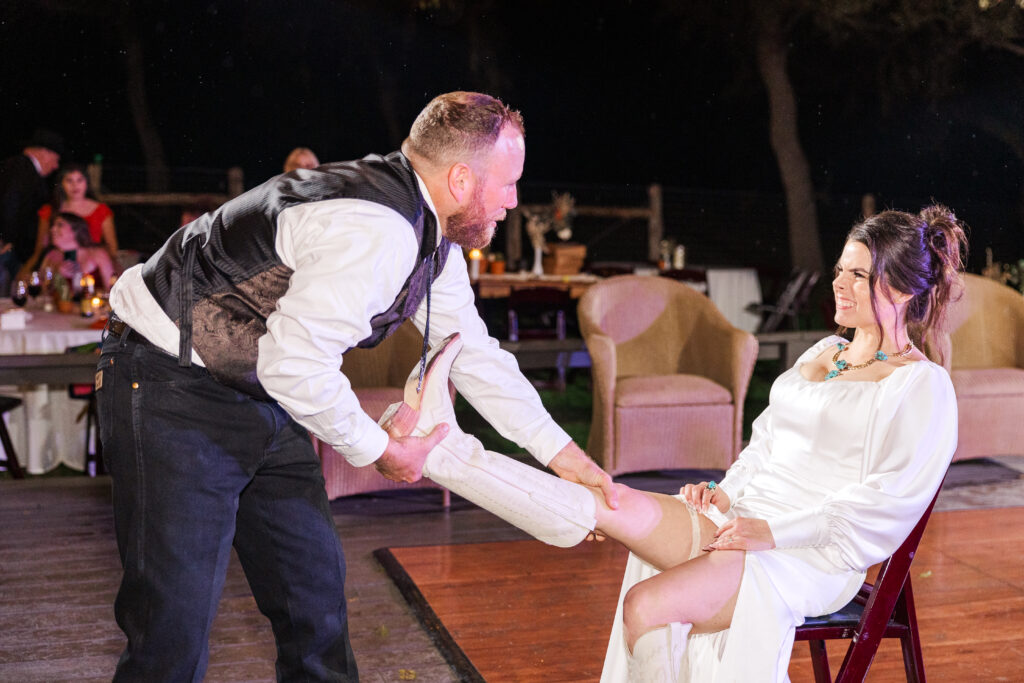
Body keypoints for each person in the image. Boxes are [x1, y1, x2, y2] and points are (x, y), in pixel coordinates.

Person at [97, 91, 616, 682]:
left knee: (313, 603)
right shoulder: (378, 230)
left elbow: (471, 352)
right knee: (172, 630)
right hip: (168, 384)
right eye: (508, 183)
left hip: (260, 392)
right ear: (463, 178)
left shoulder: (431, 236)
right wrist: (381, 453)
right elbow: (296, 364)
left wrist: (565, 458)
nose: (514, 201)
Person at [393, 205, 965, 681]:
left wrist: (773, 531)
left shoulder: (921, 386)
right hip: (742, 518)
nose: (839, 282)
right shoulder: (823, 353)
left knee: (643, 606)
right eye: (841, 269)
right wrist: (723, 493)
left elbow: (887, 505)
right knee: (608, 501)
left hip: (803, 553)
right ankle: (443, 450)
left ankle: (444, 450)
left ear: (900, 287)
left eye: (858, 275)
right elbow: (765, 444)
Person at [20, 163, 118, 278]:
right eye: (69, 181)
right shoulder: (50, 210)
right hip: (58, 264)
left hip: (93, 264)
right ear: (61, 184)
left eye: (79, 180)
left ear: (87, 183)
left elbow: (112, 249)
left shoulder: (101, 211)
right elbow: (41, 248)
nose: (75, 185)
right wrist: (26, 272)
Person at [0, 128, 63, 287]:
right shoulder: (21, 167)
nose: (56, 166)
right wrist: (6, 238)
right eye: (55, 159)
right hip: (9, 248)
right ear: (44, 152)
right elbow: (10, 202)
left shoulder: (21, 168)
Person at [40, 211, 115, 291]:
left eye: (60, 225)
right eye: (53, 225)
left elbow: (112, 290)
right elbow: (43, 292)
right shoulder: (52, 256)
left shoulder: (98, 254)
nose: (53, 229)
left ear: (75, 230)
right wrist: (56, 273)